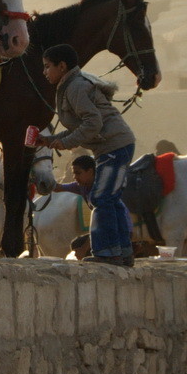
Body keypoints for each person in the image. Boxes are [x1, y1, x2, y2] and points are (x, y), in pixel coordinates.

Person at [35, 42, 136, 266]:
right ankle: (123, 252)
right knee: (111, 199)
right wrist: (51, 141)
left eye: (47, 66)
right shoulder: (70, 86)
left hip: (114, 146)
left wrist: (66, 143)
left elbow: (93, 122)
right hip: (109, 147)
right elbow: (78, 125)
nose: (44, 72)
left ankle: (107, 252)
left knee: (101, 198)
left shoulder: (75, 88)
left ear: (62, 66)